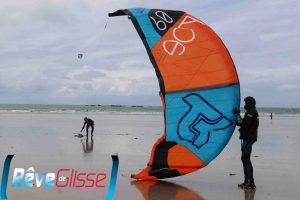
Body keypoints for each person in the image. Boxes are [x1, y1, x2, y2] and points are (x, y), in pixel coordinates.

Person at [233, 96, 259, 190]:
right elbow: (241, 123)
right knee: (244, 159)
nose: (244, 105)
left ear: (249, 103)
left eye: (245, 103)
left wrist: (238, 115)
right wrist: (237, 115)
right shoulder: (250, 112)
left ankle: (251, 183)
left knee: (246, 159)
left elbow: (244, 125)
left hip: (248, 138)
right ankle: (246, 182)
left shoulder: (252, 112)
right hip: (247, 138)